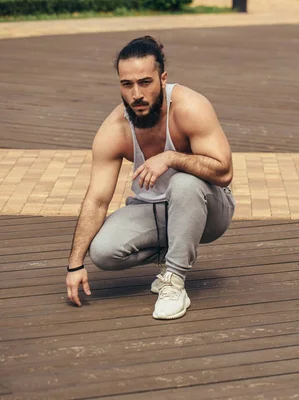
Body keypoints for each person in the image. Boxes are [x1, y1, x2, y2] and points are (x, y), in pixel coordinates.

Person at [65, 36, 236, 320]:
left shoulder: (189, 107)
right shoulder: (114, 129)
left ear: (162, 79)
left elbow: (224, 171)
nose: (136, 94)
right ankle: (175, 255)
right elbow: (96, 200)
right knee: (104, 252)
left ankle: (174, 281)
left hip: (211, 211)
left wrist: (171, 158)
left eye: (145, 82)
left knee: (183, 181)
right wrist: (74, 265)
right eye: (127, 84)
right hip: (155, 210)